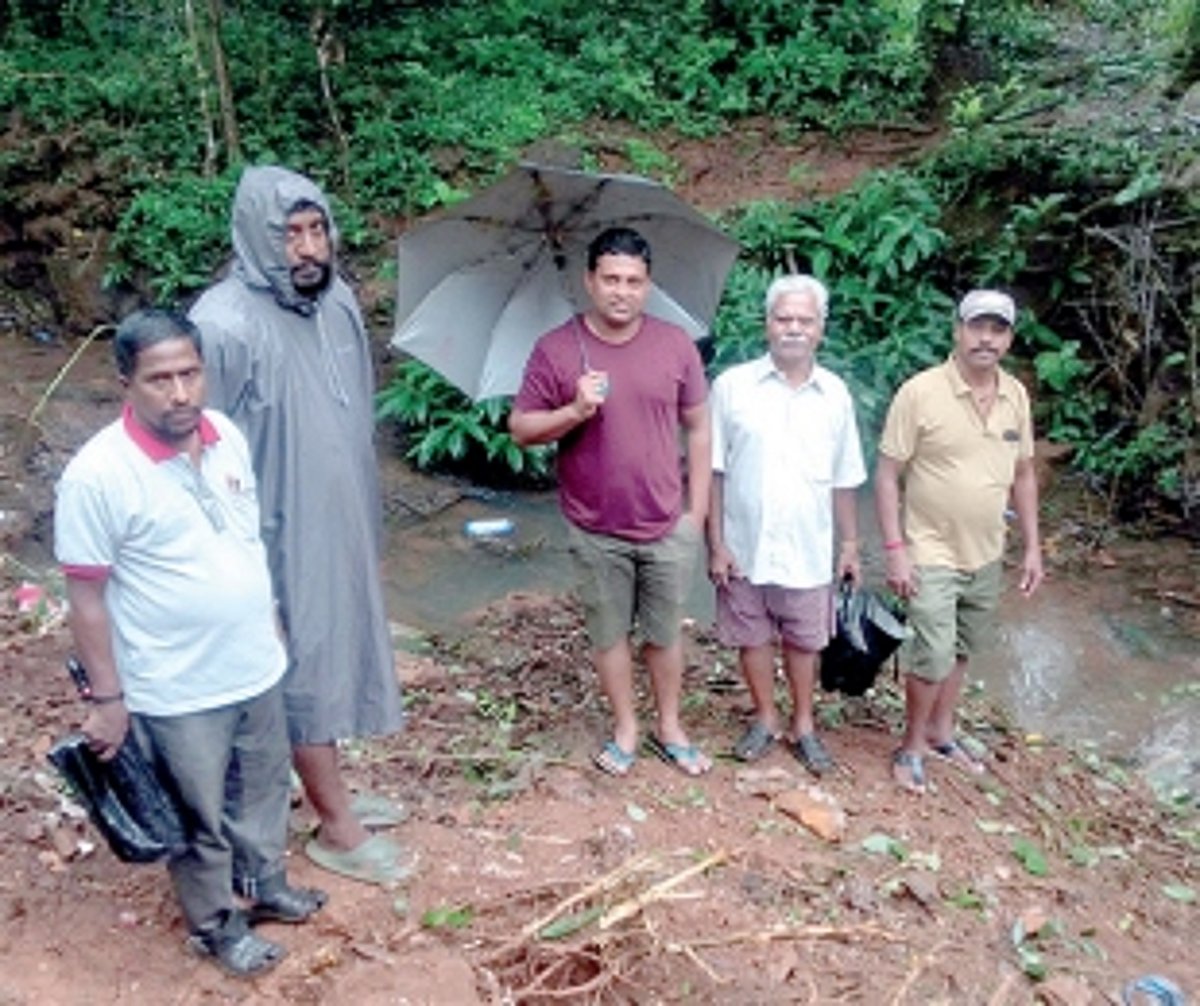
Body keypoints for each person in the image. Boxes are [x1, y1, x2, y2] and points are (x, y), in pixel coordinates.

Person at [54, 309, 326, 977]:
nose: (180, 393)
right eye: (160, 379)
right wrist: (109, 699)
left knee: (263, 787)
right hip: (175, 685)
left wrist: (270, 621)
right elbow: (86, 599)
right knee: (199, 813)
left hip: (253, 664)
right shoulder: (98, 476)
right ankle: (215, 925)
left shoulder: (226, 435)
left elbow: (245, 540)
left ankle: (265, 884)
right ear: (126, 382)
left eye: (190, 374)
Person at [189, 166, 409, 884]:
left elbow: (355, 424)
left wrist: (368, 527)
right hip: (271, 533)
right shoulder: (221, 325)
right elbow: (195, 450)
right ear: (260, 235)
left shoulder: (337, 300)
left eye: (318, 231)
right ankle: (335, 826)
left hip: (337, 518)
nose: (309, 248)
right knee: (300, 664)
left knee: (335, 650)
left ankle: (327, 781)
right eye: (291, 235)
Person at [509, 227, 713, 777]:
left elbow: (698, 427)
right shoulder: (556, 349)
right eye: (611, 280)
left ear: (648, 286)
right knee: (609, 634)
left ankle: (670, 725)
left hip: (667, 521)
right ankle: (627, 725)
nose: (622, 291)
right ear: (589, 281)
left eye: (634, 281)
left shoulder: (675, 344)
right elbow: (521, 428)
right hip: (595, 525)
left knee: (665, 632)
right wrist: (574, 410)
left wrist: (696, 513)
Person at [875, 289, 1044, 794]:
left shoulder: (1016, 395)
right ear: (958, 331)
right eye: (977, 327)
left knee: (964, 646)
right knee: (933, 648)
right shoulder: (920, 392)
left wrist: (1033, 546)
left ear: (1008, 339)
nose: (985, 339)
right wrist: (895, 551)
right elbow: (887, 477)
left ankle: (942, 732)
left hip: (987, 550)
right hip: (930, 549)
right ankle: (910, 748)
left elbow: (1025, 475)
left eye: (997, 330)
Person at [707, 275, 865, 775]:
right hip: (744, 542)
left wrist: (851, 546)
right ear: (766, 325)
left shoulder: (835, 394)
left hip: (808, 546)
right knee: (750, 634)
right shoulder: (732, 387)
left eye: (804, 320)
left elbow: (846, 478)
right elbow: (713, 471)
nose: (793, 328)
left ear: (821, 329)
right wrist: (715, 542)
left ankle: (804, 724)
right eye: (783, 318)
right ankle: (765, 718)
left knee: (804, 639)